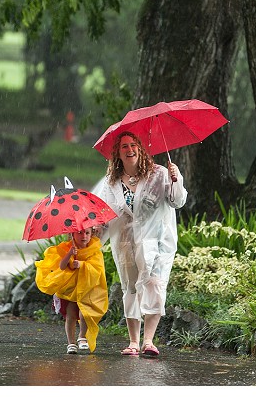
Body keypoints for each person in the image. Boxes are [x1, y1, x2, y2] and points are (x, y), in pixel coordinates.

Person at [92, 131, 186, 357]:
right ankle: (133, 341)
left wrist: (177, 179)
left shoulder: (160, 174)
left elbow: (177, 201)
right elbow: (103, 215)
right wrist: (93, 240)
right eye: (124, 146)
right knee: (131, 288)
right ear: (118, 153)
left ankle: (149, 341)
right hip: (125, 243)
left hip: (157, 242)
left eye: (133, 145)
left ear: (141, 149)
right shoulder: (110, 183)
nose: (130, 149)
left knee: (154, 285)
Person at [34, 226, 108, 354]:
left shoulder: (95, 250)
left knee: (85, 313)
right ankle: (71, 343)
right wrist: (69, 255)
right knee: (71, 315)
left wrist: (82, 265)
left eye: (87, 233)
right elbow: (62, 266)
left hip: (87, 288)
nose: (83, 236)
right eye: (79, 233)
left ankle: (82, 336)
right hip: (71, 290)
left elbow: (97, 268)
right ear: (72, 234)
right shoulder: (67, 248)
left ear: (92, 234)